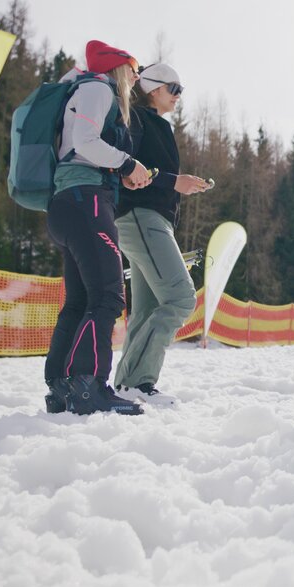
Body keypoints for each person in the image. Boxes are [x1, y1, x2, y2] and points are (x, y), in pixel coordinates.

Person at [43, 39, 152, 416]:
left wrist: (123, 172)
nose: (136, 78)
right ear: (118, 68)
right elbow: (85, 142)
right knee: (108, 296)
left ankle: (61, 387)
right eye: (134, 69)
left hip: (69, 203)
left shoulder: (81, 88)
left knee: (80, 301)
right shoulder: (96, 88)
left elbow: (80, 145)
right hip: (84, 200)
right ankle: (88, 385)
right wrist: (126, 163)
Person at [113, 63, 212, 401]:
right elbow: (128, 167)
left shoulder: (158, 125)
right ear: (152, 89)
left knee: (146, 309)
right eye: (174, 88)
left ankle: (127, 386)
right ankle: (139, 382)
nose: (179, 96)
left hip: (152, 219)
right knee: (181, 297)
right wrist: (175, 182)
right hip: (141, 216)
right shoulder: (137, 119)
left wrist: (178, 187)